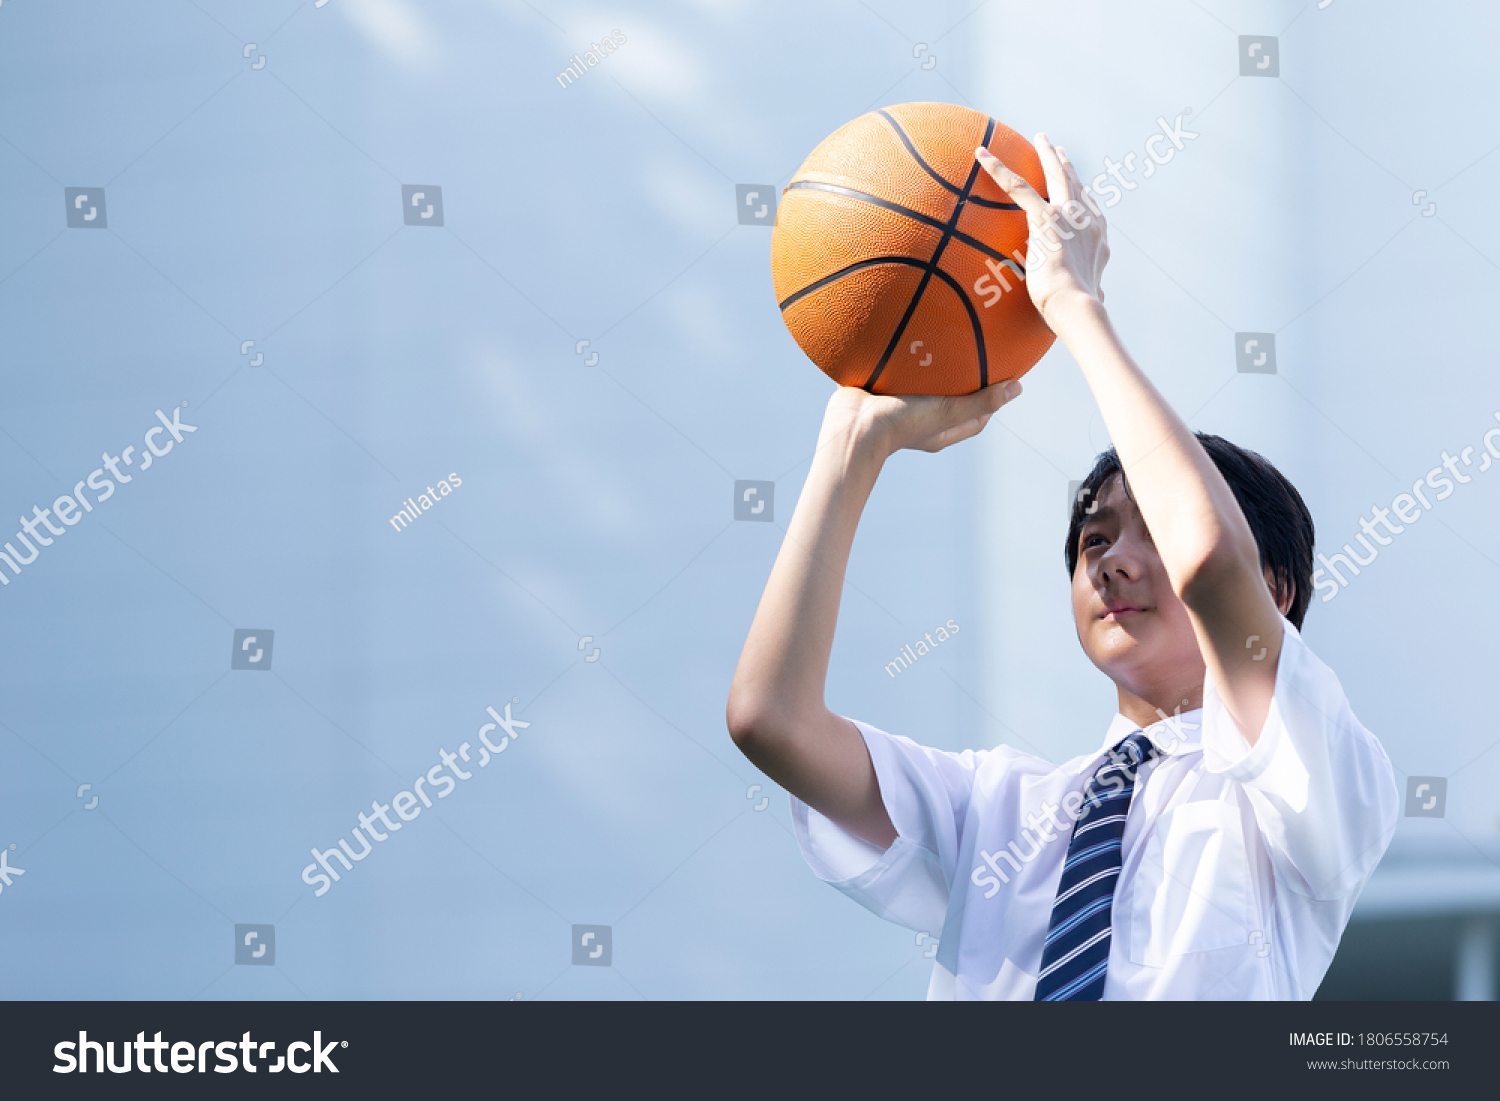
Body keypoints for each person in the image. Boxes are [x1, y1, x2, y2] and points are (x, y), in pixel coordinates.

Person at [725, 133, 1399, 1000]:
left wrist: (1074, 306)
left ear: (1274, 591)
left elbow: (1211, 563)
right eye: (1093, 540)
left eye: (1146, 525)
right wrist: (852, 446)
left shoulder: (1303, 784)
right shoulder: (999, 812)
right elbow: (769, 718)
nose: (1113, 560)